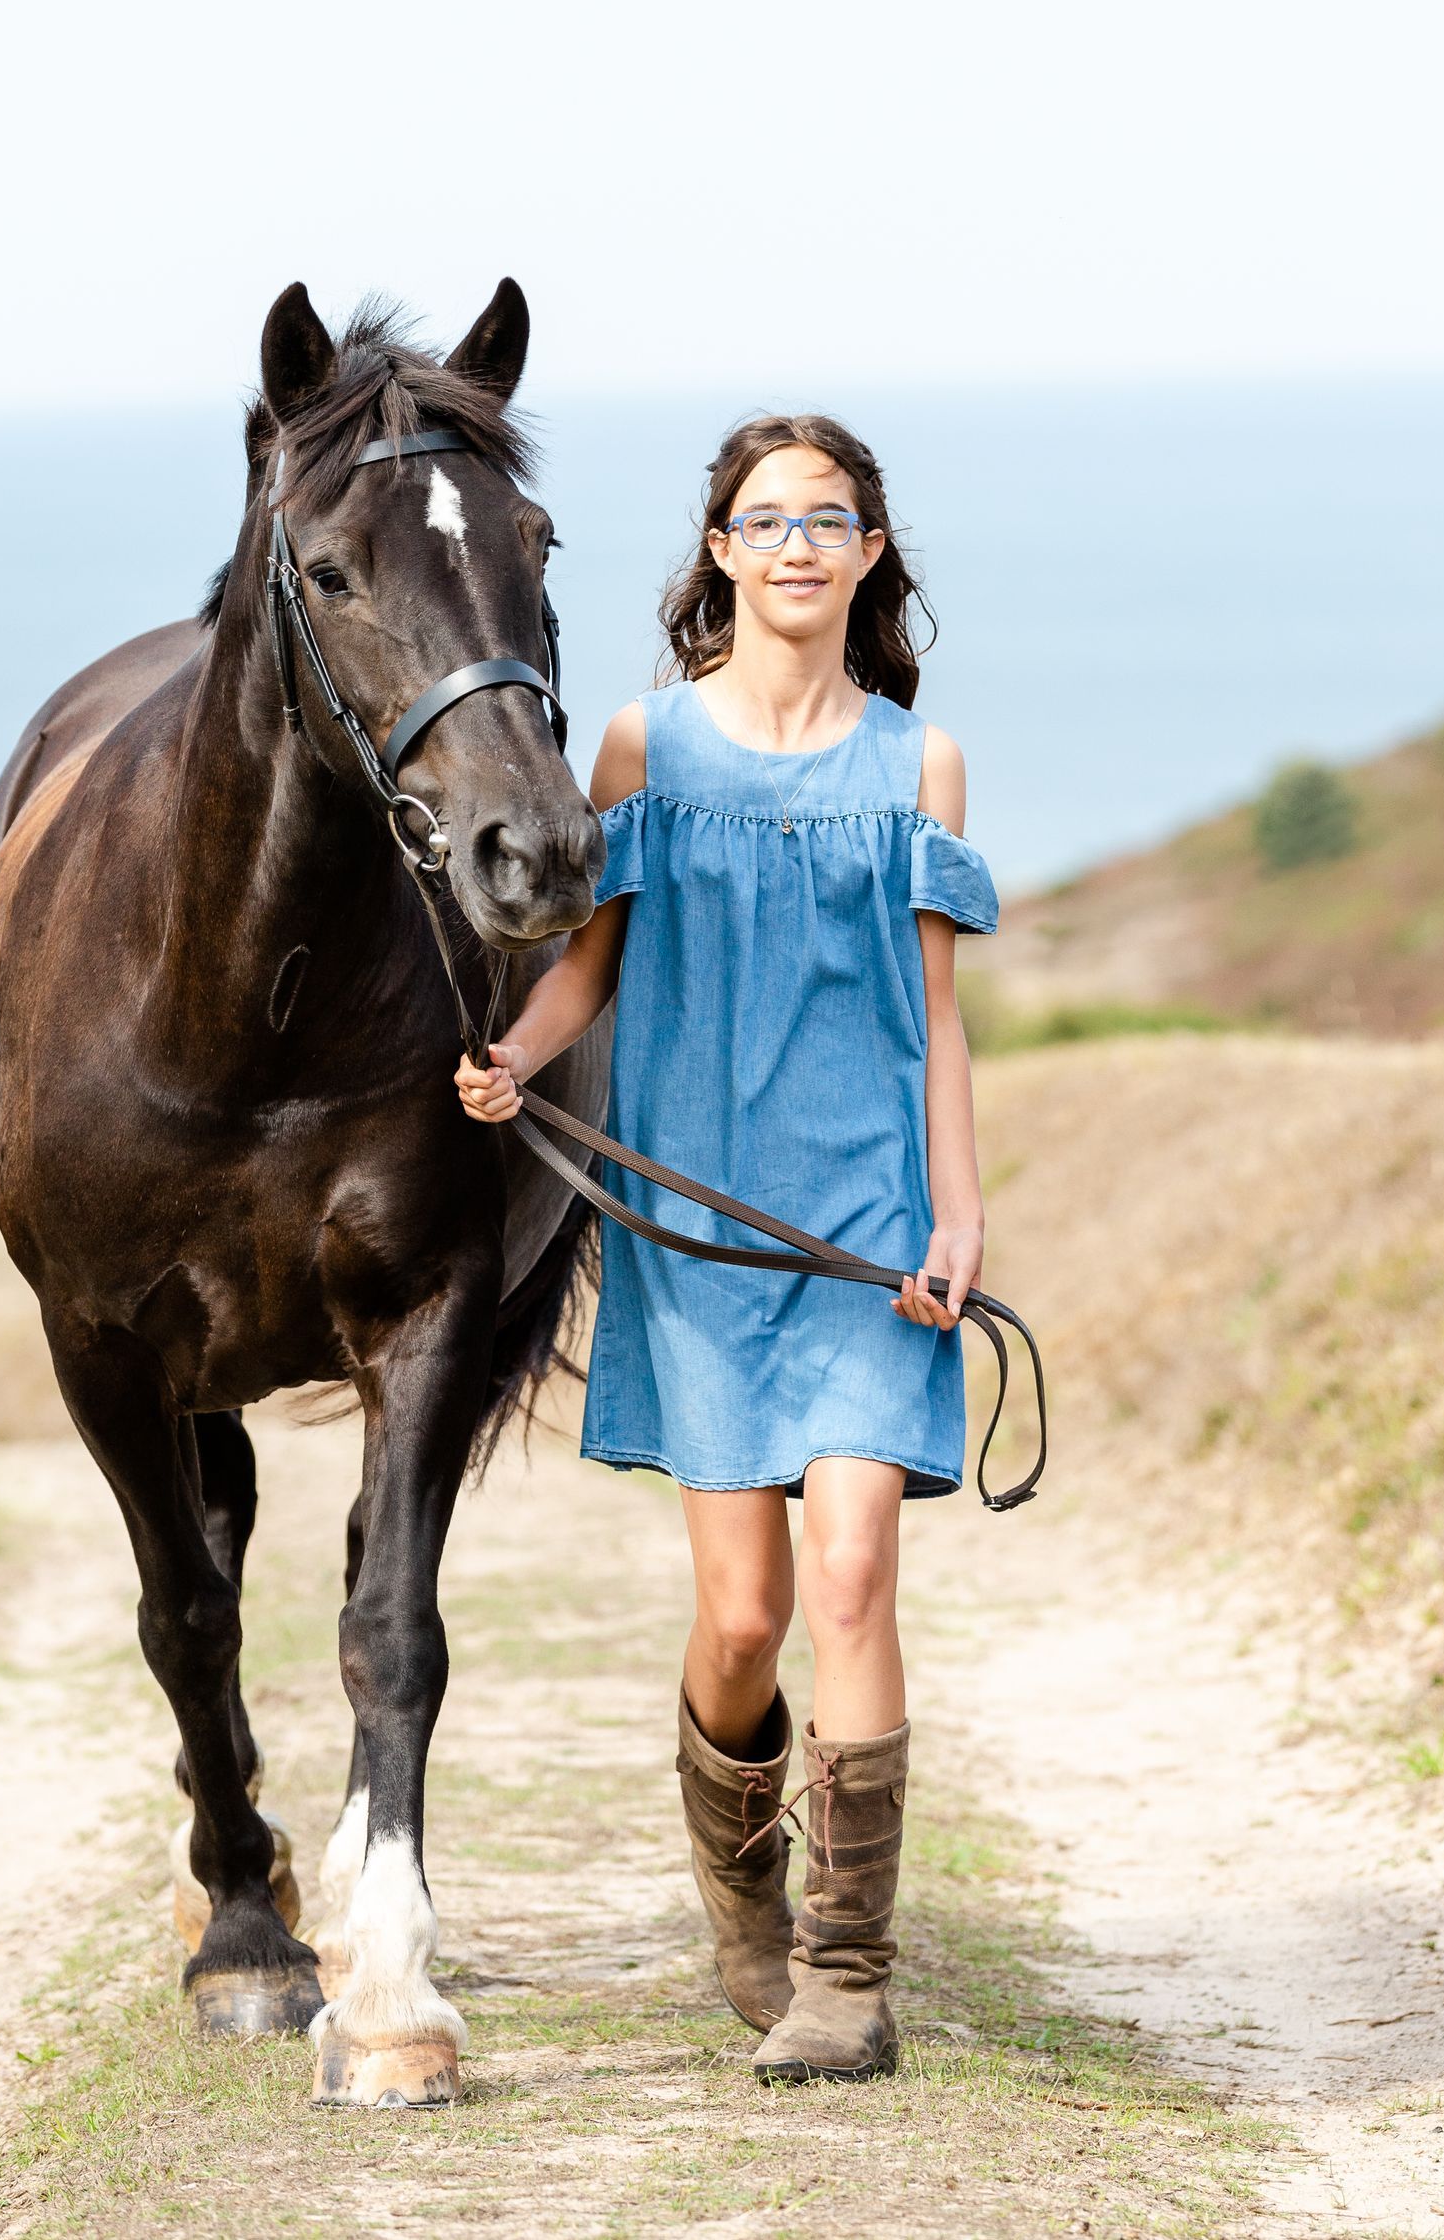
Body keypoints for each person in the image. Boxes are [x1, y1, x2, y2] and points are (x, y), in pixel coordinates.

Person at [457, 411, 998, 2083]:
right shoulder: (641, 749)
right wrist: (521, 1057)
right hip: (697, 1229)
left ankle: (845, 1973)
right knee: (747, 1620)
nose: (795, 547)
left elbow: (939, 1019)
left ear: (870, 552)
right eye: (765, 521)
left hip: (863, 1235)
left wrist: (959, 1212)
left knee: (848, 1573)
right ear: (719, 550)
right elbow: (589, 964)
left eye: (827, 520)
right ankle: (738, 1894)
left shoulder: (921, 762)